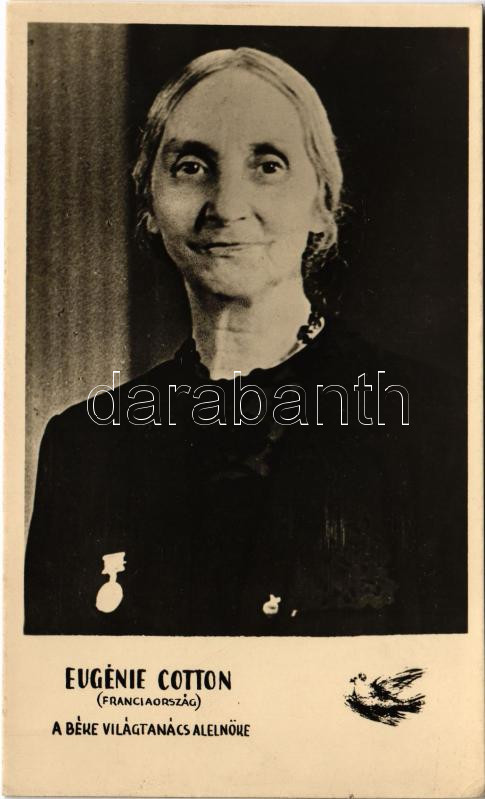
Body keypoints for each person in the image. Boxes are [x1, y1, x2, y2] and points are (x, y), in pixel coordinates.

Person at [24, 47, 466, 636]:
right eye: (190, 166)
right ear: (149, 204)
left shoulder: (437, 421)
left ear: (322, 204)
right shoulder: (86, 446)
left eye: (268, 166)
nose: (227, 207)